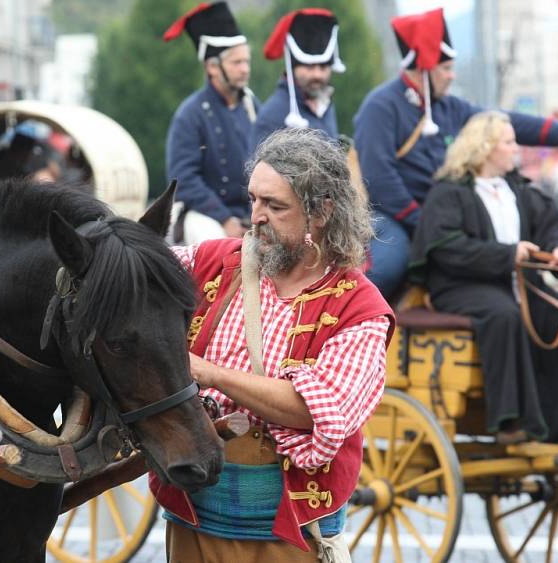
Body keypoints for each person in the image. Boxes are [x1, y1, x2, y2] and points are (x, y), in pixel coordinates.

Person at [150, 128, 394, 561]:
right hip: (193, 521)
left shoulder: (361, 309)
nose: (257, 216)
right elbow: (138, 270)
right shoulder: (212, 262)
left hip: (287, 537)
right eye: (254, 200)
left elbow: (310, 410)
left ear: (322, 213)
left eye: (275, 206)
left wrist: (206, 372)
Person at [354, 8, 558, 296]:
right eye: (446, 68)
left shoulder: (451, 107)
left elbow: (506, 122)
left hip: (443, 216)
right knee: (388, 266)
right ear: (425, 68)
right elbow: (380, 179)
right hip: (397, 216)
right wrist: (423, 221)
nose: (452, 76)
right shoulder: (380, 106)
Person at [409, 111, 558, 446]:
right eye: (509, 142)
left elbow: (552, 226)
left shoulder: (519, 190)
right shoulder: (449, 193)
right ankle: (511, 422)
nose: (517, 149)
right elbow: (447, 248)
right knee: (504, 314)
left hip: (520, 287)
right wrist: (507, 254)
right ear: (484, 147)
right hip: (461, 287)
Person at [164, 2, 260, 244]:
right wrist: (224, 218)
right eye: (237, 63)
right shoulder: (190, 114)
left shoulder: (252, 106)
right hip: (204, 215)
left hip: (252, 211)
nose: (245, 69)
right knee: (216, 243)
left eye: (246, 61)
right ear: (212, 67)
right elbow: (183, 179)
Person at [252, 8, 344, 149]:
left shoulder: (325, 104)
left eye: (323, 67)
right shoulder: (272, 116)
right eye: (309, 67)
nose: (317, 75)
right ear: (293, 67)